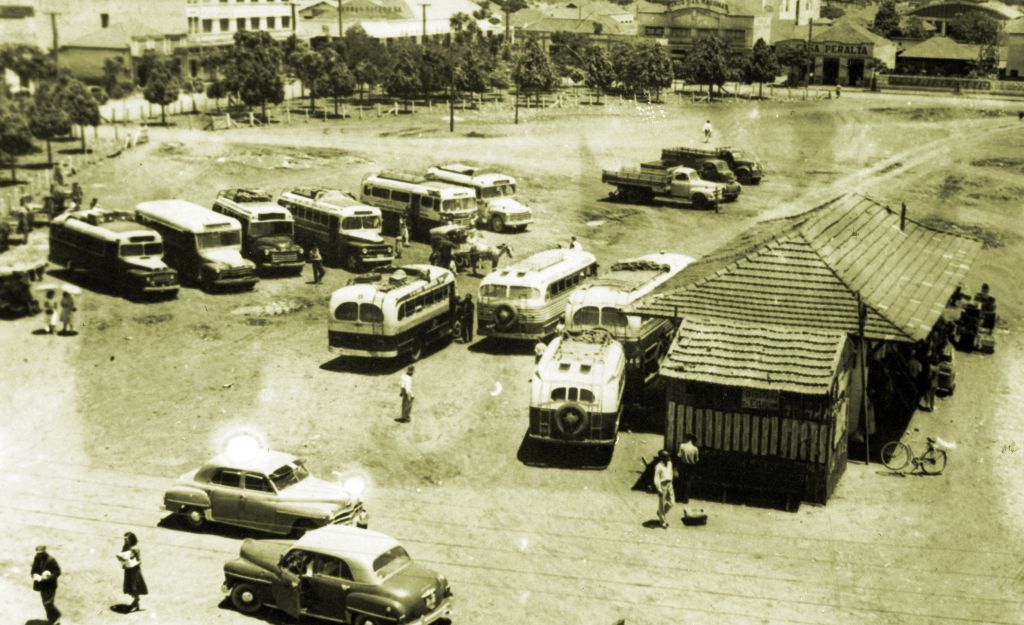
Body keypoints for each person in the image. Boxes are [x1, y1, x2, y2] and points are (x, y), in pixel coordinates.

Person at [117, 531, 148, 612]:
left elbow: (139, 560)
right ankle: (136, 603)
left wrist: (133, 562)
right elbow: (122, 556)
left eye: (127, 539)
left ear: (132, 539)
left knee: (135, 586)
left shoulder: (135, 548)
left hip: (135, 570)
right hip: (128, 569)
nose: (126, 541)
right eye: (125, 539)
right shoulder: (125, 547)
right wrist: (122, 560)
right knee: (130, 586)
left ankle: (136, 602)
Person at [31, 545, 62, 624]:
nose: (39, 555)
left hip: (50, 585)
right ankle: (52, 619)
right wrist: (35, 575)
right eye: (38, 553)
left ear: (44, 552)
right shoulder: (37, 558)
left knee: (48, 603)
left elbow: (57, 572)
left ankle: (56, 616)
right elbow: (34, 569)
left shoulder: (51, 560)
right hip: (42, 585)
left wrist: (47, 577)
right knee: (45, 603)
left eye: (41, 553)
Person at [676, 434, 700, 504]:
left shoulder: (682, 446)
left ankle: (679, 498)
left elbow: (679, 456)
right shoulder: (695, 448)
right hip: (691, 467)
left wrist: (678, 466)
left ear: (688, 439)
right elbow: (697, 460)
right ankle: (685, 499)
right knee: (688, 482)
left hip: (683, 466)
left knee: (681, 481)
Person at [653, 450, 674, 529]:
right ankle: (662, 522)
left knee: (672, 502)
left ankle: (660, 513)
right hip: (662, 485)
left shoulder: (670, 464)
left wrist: (671, 483)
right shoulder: (658, 466)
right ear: (661, 457)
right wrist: (659, 488)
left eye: (668, 456)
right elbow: (656, 478)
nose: (668, 458)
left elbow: (671, 473)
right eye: (666, 457)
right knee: (661, 504)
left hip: (669, 484)